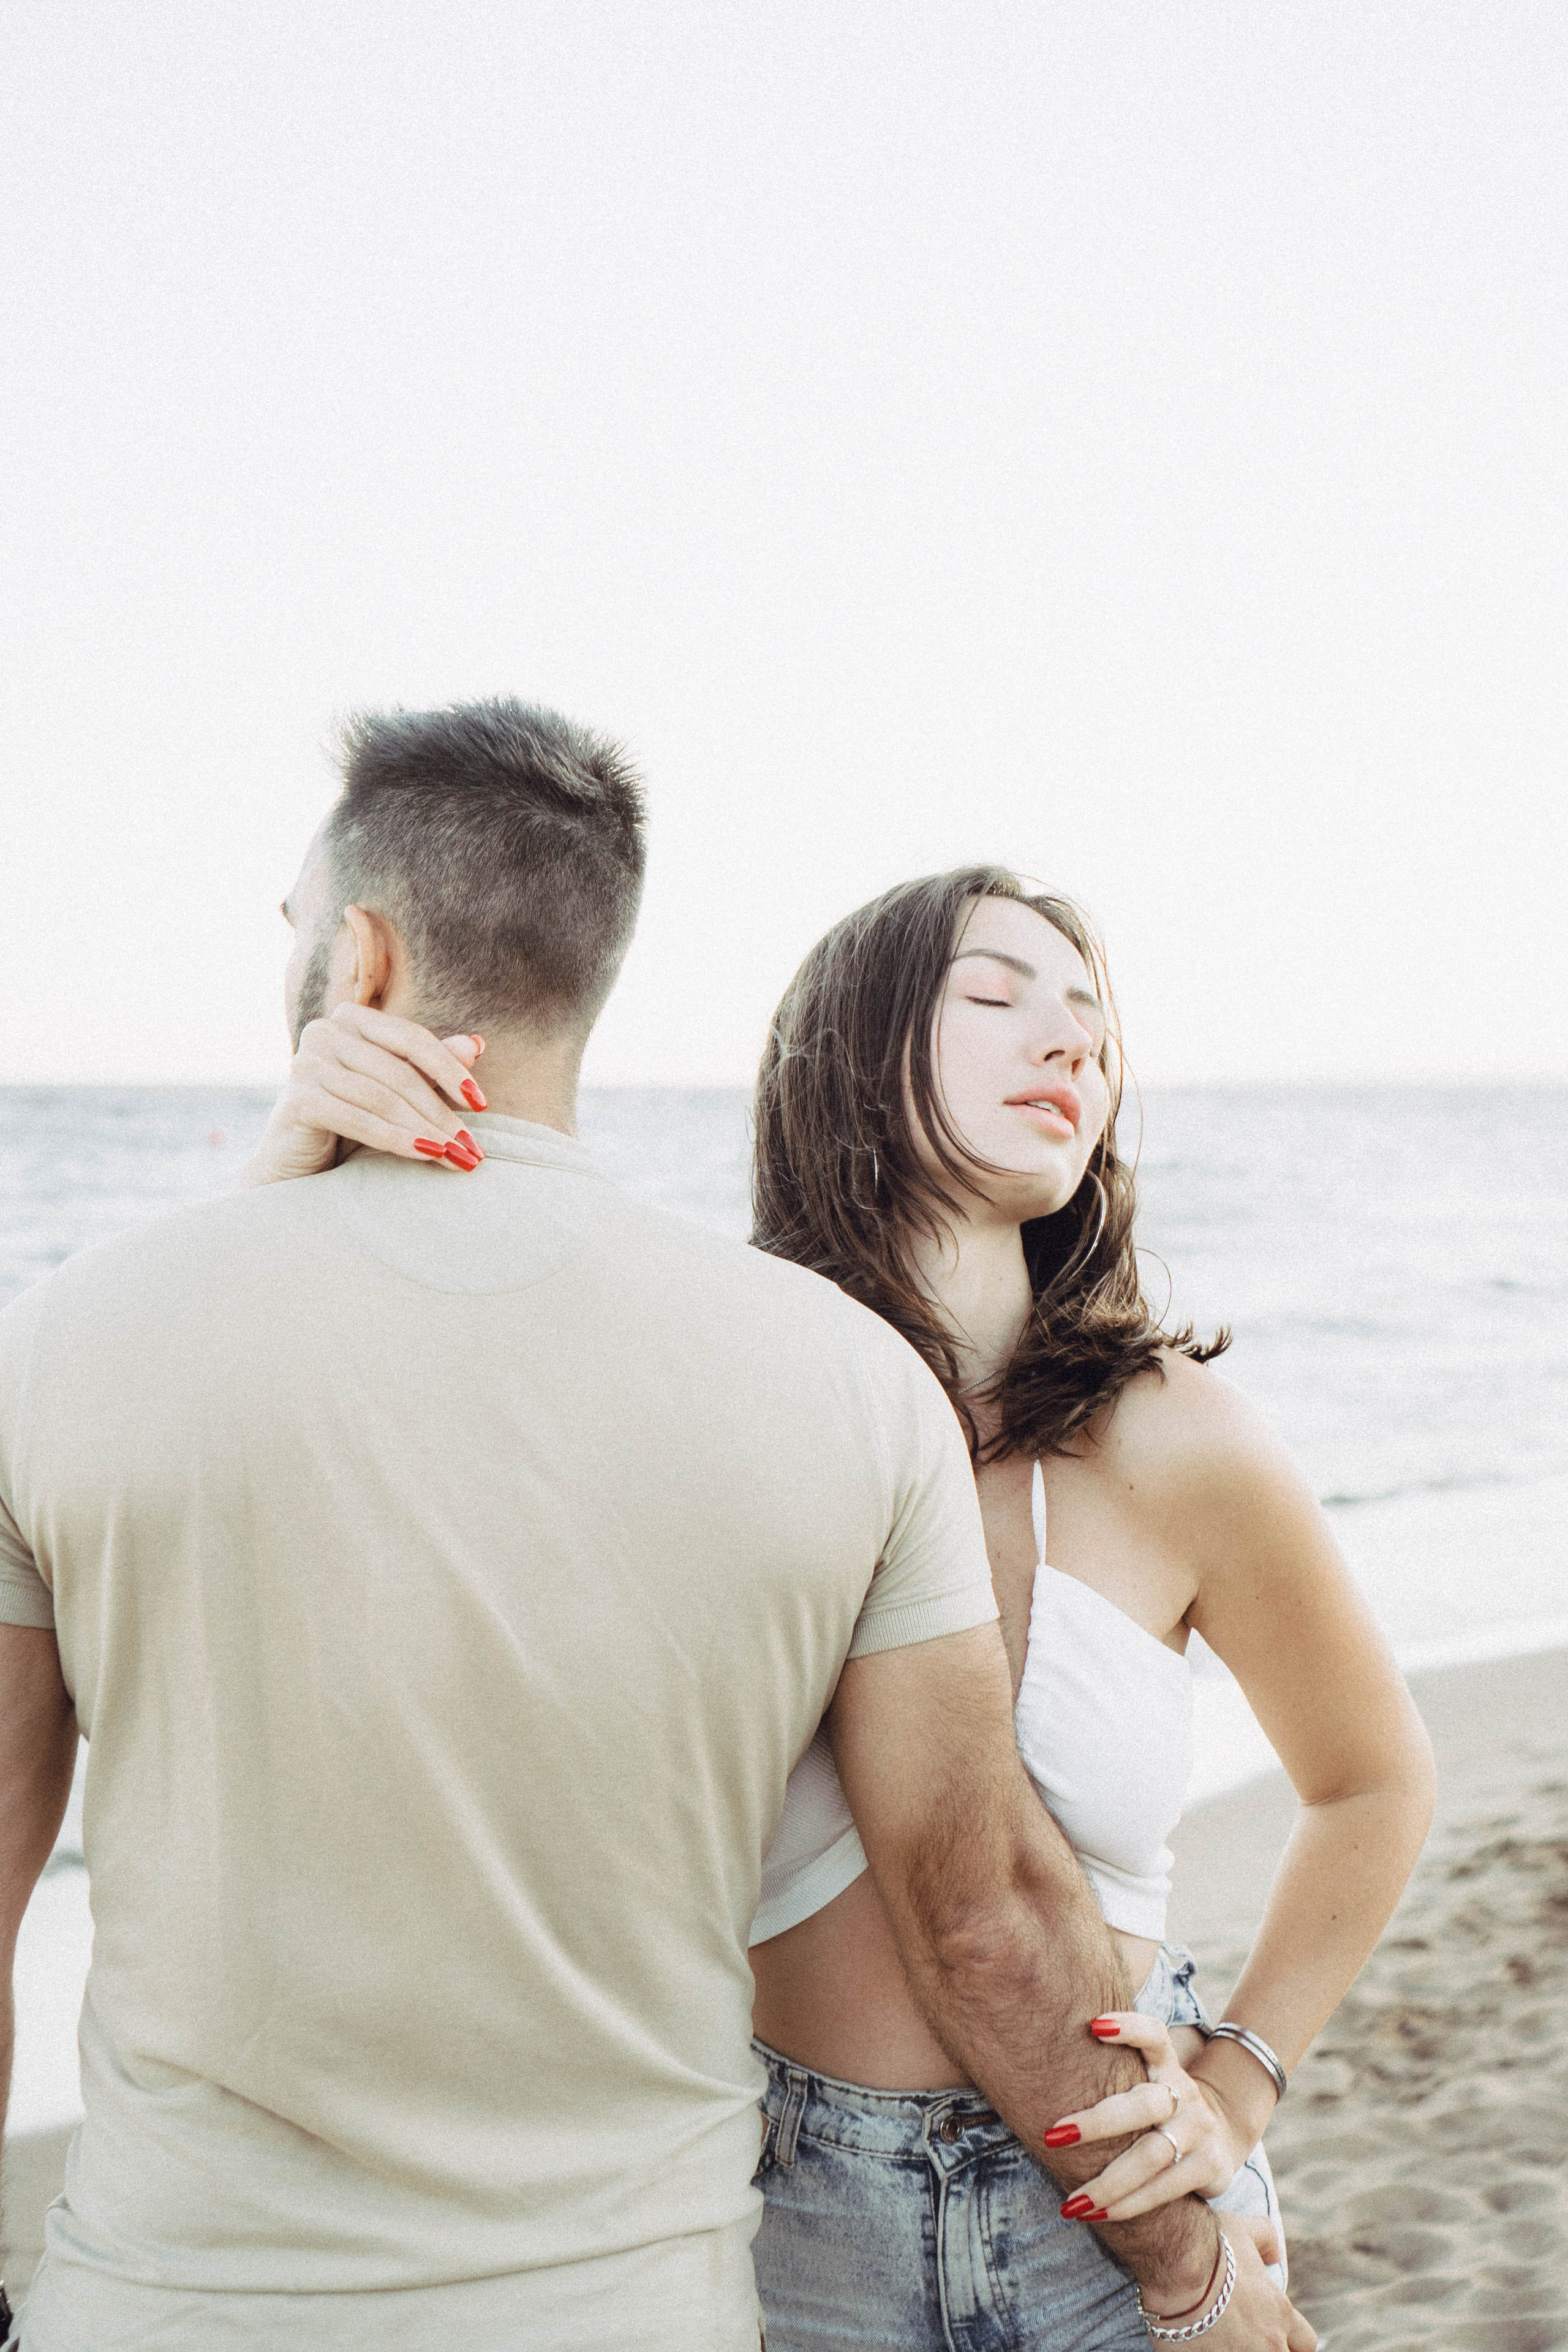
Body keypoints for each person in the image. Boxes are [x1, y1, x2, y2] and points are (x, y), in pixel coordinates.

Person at [0, 711, 1312, 2352]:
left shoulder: (60, 1353)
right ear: (591, 967)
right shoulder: (831, 1385)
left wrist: (260, 1206)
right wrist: (1195, 2277)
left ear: (365, 955)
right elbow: (981, 1912)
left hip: (168, 2311)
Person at [264, 858, 1433, 2348]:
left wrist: (1238, 2076)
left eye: (1087, 1020)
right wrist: (299, 1158)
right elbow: (360, 1495)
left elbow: (1371, 1779)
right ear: (850, 1052)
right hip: (794, 2209)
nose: (1066, 1042)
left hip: (1119, 2201)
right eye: (996, 997)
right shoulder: (714, 1393)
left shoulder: (1172, 1436)